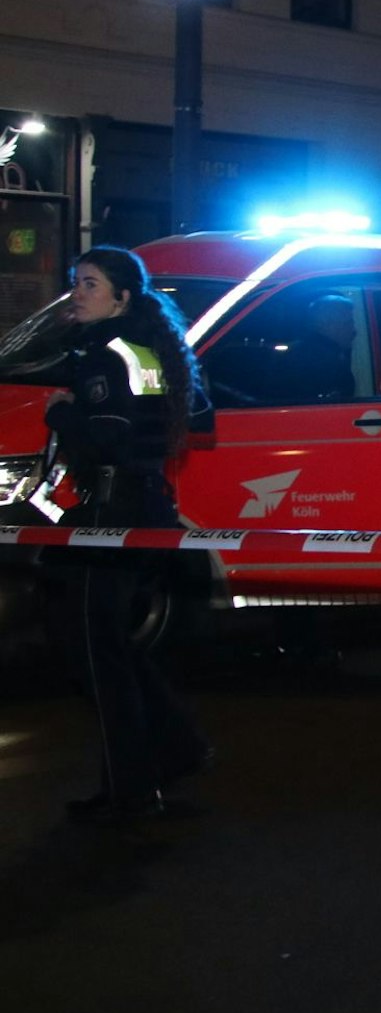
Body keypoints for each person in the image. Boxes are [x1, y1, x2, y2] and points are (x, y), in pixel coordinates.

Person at [44, 247, 211, 823]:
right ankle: (174, 750)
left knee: (97, 654)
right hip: (146, 505)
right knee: (109, 645)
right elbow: (200, 416)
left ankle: (131, 792)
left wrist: (62, 414)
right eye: (75, 283)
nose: (78, 294)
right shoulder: (147, 349)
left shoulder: (102, 357)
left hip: (110, 511)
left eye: (90, 284)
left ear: (122, 298)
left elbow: (104, 442)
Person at [289, 293, 357, 401]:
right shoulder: (324, 360)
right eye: (348, 323)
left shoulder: (299, 351)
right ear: (325, 324)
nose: (354, 330)